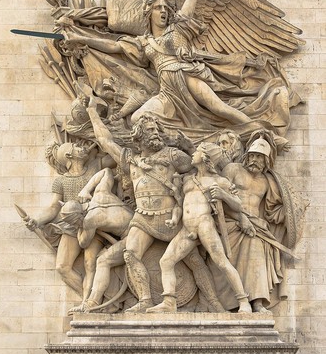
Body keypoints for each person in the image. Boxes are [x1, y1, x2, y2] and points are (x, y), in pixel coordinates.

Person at [62, 0, 277, 134]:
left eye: (166, 8)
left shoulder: (179, 28)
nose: (163, 11)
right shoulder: (144, 42)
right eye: (158, 8)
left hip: (187, 77)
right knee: (138, 118)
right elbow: (113, 45)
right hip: (166, 90)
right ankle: (176, 140)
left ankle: (261, 132)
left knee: (219, 108)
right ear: (149, 14)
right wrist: (79, 37)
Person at [86, 98, 227, 313]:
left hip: (171, 218)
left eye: (156, 130)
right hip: (143, 218)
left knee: (195, 261)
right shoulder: (129, 159)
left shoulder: (172, 155)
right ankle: (145, 300)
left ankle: (215, 303)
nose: (155, 133)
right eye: (149, 130)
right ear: (138, 135)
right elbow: (105, 140)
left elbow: (201, 168)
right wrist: (92, 111)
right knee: (130, 253)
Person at [147, 143, 252, 314]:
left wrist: (223, 195)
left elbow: (238, 205)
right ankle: (169, 301)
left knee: (222, 263)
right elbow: (180, 205)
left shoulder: (220, 181)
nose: (193, 154)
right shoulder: (188, 179)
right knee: (166, 261)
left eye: (197, 152)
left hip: (205, 225)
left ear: (205, 157)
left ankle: (243, 301)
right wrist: (174, 219)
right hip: (187, 229)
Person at [211, 136, 303, 313]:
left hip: (256, 228)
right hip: (230, 223)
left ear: (266, 161)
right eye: (252, 155)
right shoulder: (233, 170)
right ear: (246, 155)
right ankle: (234, 301)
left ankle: (257, 302)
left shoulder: (266, 181)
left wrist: (291, 212)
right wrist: (240, 218)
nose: (254, 160)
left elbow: (270, 212)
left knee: (256, 251)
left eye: (259, 157)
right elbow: (218, 197)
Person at [24, 142, 103, 297]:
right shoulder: (60, 181)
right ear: (69, 155)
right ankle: (90, 301)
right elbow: (54, 207)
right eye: (76, 146)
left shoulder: (95, 167)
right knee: (62, 267)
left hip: (93, 223)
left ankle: (94, 300)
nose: (82, 146)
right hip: (71, 226)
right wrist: (37, 221)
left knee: (90, 263)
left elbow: (114, 157)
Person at [59, 167, 134, 313]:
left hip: (132, 236)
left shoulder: (89, 221)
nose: (74, 226)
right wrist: (86, 190)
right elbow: (106, 171)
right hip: (136, 225)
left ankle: (92, 302)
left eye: (73, 223)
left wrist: (80, 226)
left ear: (77, 217)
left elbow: (83, 242)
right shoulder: (100, 194)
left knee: (102, 261)